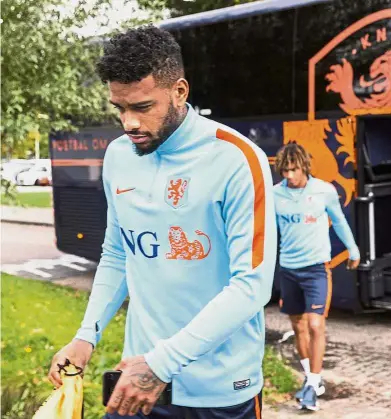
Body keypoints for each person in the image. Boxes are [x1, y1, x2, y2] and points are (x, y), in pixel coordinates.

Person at [47, 26, 277, 419]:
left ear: (180, 92)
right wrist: (86, 337)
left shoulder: (237, 159)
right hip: (137, 381)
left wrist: (162, 364)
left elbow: (251, 286)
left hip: (219, 394)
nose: (129, 123)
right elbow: (118, 254)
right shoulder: (118, 156)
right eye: (119, 108)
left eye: (142, 107)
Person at [273, 142, 360, 412]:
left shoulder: (324, 191)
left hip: (316, 270)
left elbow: (340, 221)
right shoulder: (275, 194)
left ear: (304, 167)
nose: (289, 176)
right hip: (288, 269)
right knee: (298, 327)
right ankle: (312, 378)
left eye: (294, 169)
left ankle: (311, 385)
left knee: (315, 325)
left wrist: (353, 249)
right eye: (285, 170)